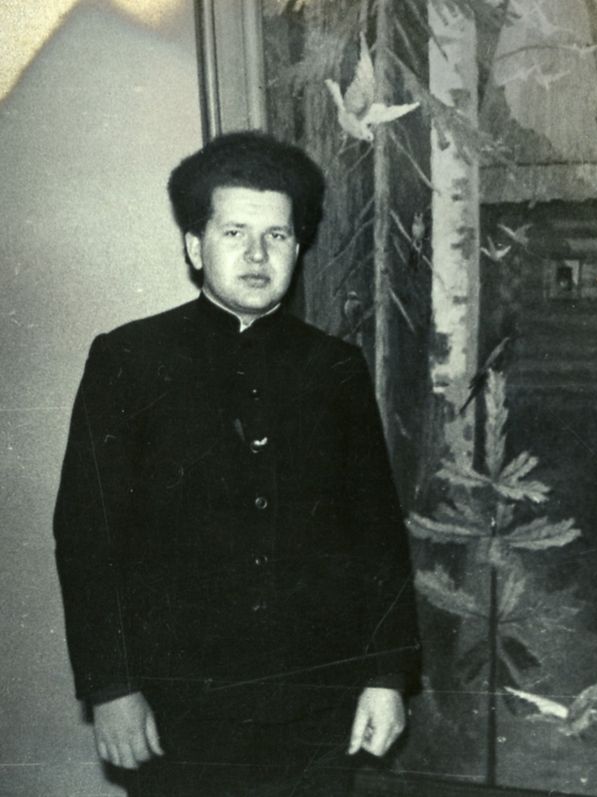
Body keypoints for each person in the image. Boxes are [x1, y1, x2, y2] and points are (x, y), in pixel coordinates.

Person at [53, 131, 421, 795]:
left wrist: (386, 676)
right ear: (196, 246)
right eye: (234, 233)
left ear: (298, 248)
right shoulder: (129, 360)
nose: (257, 254)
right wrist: (112, 688)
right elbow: (88, 534)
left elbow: (376, 534)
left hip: (316, 709)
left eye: (277, 235)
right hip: (176, 712)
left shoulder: (334, 368)